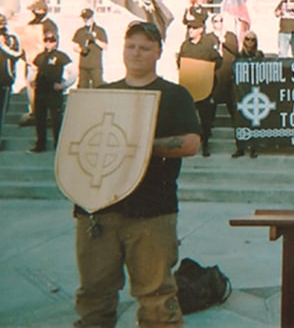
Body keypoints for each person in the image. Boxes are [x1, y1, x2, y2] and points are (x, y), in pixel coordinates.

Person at [73, 21, 201, 327]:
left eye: (145, 48)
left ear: (158, 52)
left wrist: (139, 145)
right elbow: (77, 146)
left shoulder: (174, 95)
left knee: (157, 298)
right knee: (94, 297)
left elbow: (191, 143)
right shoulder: (102, 93)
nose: (136, 53)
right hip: (99, 209)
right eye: (131, 46)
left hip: (151, 211)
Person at [177, 19, 222, 157]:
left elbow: (218, 61)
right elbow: (180, 62)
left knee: (205, 117)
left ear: (201, 30)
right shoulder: (185, 45)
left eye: (194, 28)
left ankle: (206, 143)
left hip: (204, 86)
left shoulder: (208, 44)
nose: (190, 30)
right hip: (190, 85)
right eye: (189, 28)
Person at [28, 31, 75, 153]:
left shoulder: (61, 56)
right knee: (40, 119)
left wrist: (64, 85)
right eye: (46, 40)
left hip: (54, 91)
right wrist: (31, 80)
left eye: (51, 40)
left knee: (56, 119)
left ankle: (58, 144)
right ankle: (40, 144)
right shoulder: (40, 56)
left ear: (56, 42)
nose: (48, 43)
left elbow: (73, 72)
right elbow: (32, 69)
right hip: (41, 91)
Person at [20, 0, 59, 126]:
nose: (33, 13)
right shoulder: (31, 24)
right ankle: (33, 111)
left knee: (42, 88)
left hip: (43, 62)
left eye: (35, 11)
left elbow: (53, 42)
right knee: (30, 87)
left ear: (42, 11)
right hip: (30, 61)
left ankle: (44, 114)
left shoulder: (49, 25)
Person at [0, 13, 22, 153]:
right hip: (0, 79)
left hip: (2, 79)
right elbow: (17, 55)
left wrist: (2, 44)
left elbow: (16, 55)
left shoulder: (9, 39)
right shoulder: (6, 38)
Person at [232, 31, 264, 159]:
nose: (250, 42)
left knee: (254, 121)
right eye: (247, 39)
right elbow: (234, 69)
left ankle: (254, 148)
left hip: (255, 91)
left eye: (252, 39)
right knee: (240, 121)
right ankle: (240, 147)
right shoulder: (239, 56)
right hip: (241, 92)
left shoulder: (259, 55)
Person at [210, 14, 239, 121]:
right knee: (212, 102)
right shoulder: (208, 37)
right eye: (216, 21)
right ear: (213, 23)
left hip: (228, 73)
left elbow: (235, 50)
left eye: (221, 21)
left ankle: (235, 123)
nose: (219, 23)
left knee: (230, 101)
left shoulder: (230, 35)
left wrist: (224, 41)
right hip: (215, 73)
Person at [71, 8, 109, 88]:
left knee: (98, 87)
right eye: (84, 18)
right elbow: (74, 46)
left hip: (95, 66)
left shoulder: (99, 31)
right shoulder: (80, 31)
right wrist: (80, 50)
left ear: (92, 17)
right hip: (83, 65)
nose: (85, 20)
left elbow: (105, 46)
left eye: (87, 18)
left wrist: (95, 40)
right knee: (82, 87)